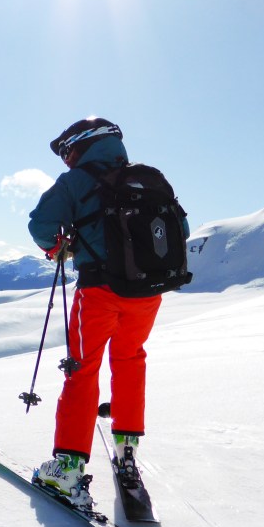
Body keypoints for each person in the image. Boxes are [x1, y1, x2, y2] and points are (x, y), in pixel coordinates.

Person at [28, 117, 189, 507]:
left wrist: (60, 247)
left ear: (81, 145)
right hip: (146, 293)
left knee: (82, 371)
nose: (67, 160)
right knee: (130, 360)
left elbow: (41, 225)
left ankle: (67, 469)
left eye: (68, 151)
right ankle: (127, 451)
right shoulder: (148, 179)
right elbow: (180, 230)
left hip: (98, 292)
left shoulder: (75, 182)